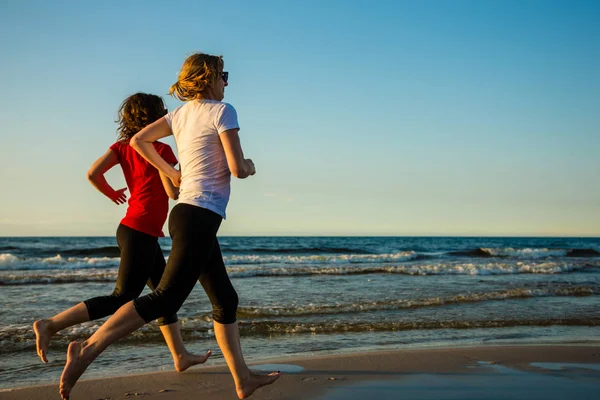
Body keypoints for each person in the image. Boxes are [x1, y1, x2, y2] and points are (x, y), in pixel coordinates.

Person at [59, 54, 280, 400]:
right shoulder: (223, 111)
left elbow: (137, 141)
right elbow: (237, 168)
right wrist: (250, 165)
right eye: (224, 75)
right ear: (209, 78)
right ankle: (87, 350)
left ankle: (243, 379)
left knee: (225, 298)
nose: (227, 82)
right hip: (198, 216)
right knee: (164, 298)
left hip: (187, 214)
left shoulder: (178, 114)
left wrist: (174, 173)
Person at [34, 93, 210, 373]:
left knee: (162, 296)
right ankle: (51, 324)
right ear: (153, 117)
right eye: (163, 112)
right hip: (139, 231)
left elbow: (93, 173)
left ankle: (180, 356)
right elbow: (172, 192)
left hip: (135, 230)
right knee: (122, 297)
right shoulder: (160, 150)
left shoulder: (122, 146)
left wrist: (112, 193)